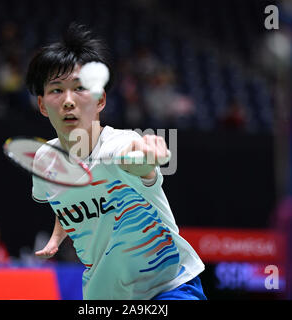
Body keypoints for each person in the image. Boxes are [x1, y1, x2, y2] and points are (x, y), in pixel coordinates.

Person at [25, 23, 206, 300]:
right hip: (105, 293)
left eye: (80, 88)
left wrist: (150, 156)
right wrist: (57, 236)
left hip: (168, 285)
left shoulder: (118, 146)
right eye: (57, 90)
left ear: (100, 100)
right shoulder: (44, 161)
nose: (69, 101)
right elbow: (63, 198)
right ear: (41, 104)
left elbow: (138, 161)